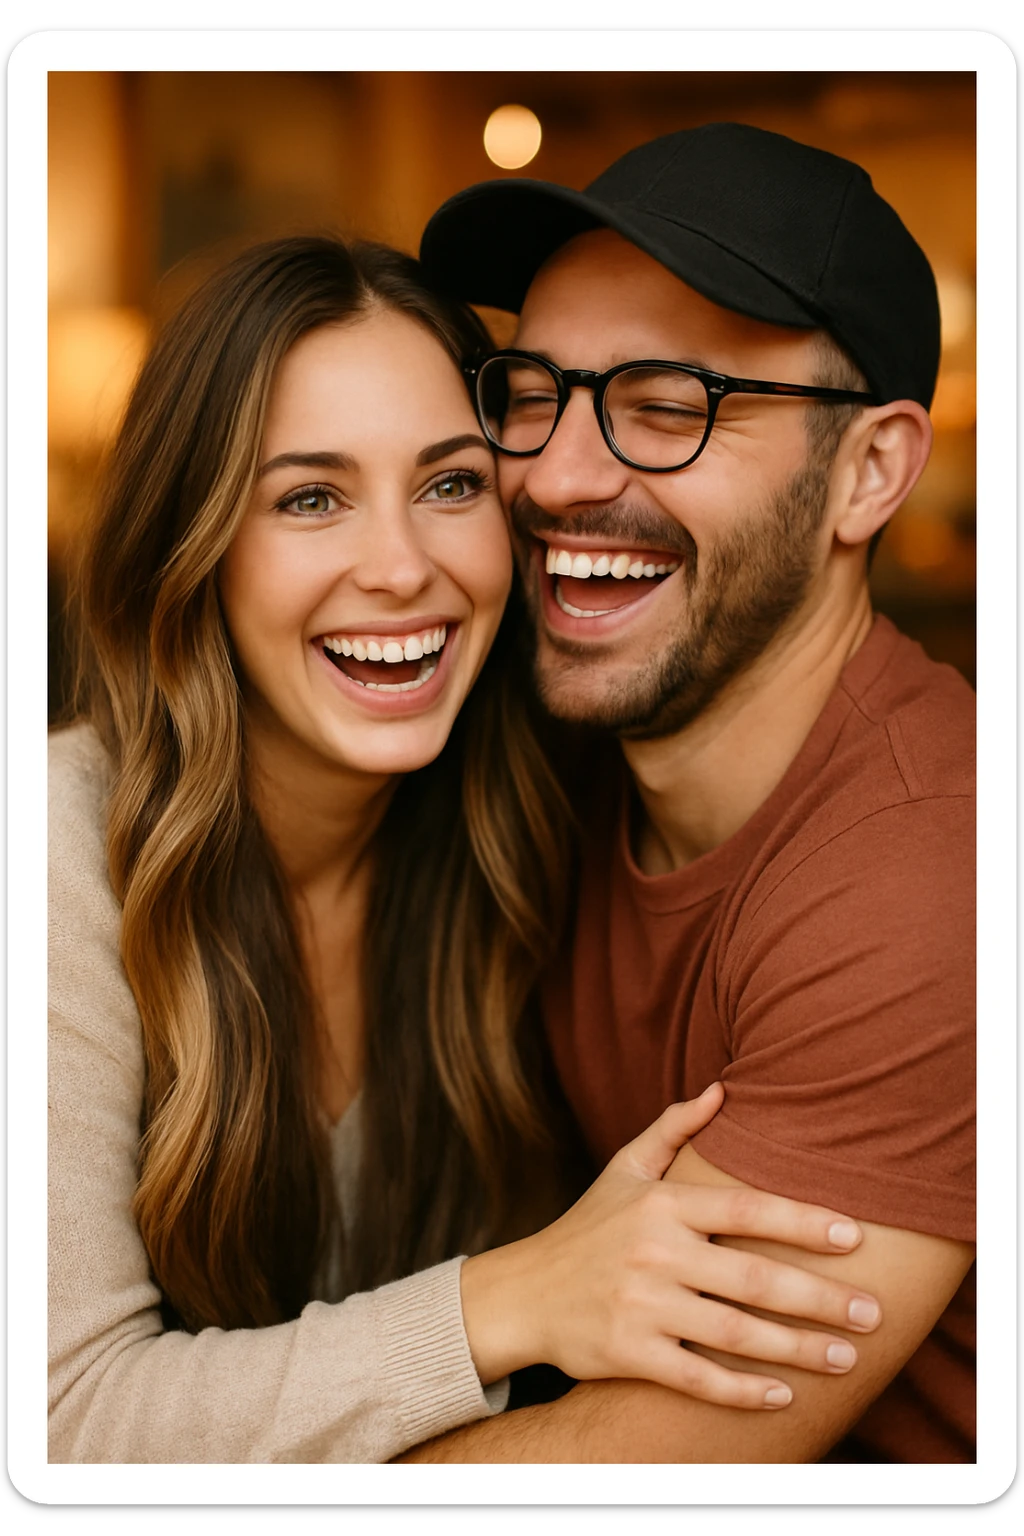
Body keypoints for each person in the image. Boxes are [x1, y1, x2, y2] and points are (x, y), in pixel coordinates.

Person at [47, 235, 884, 1465]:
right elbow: (61, 1425)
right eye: (309, 498)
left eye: (449, 486)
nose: (403, 570)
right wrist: (509, 1299)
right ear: (197, 547)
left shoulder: (523, 819)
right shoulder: (58, 852)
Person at [407, 121, 977, 1463]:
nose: (554, 475)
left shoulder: (931, 876)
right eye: (532, 391)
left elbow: (618, 1468)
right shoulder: (530, 754)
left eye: (669, 406)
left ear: (873, 472)